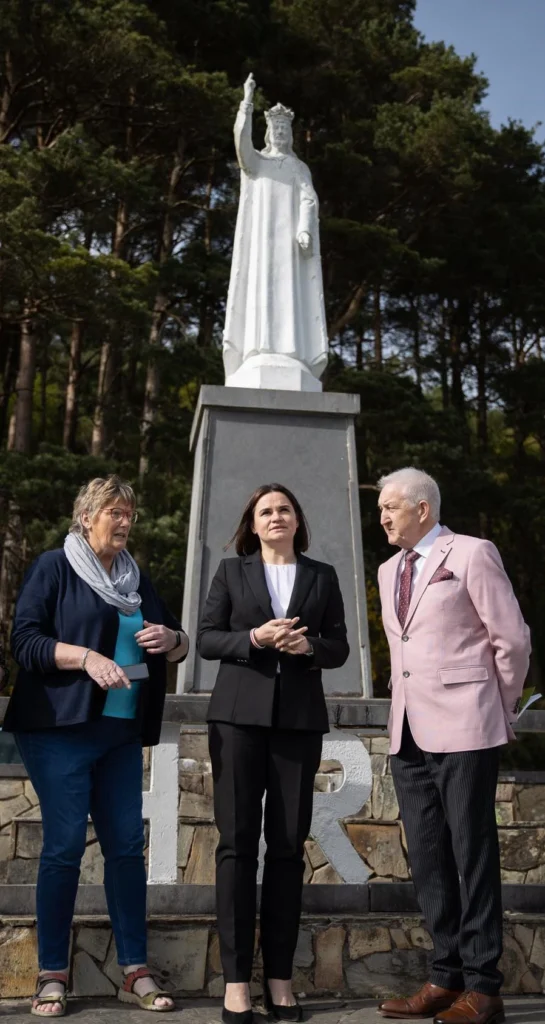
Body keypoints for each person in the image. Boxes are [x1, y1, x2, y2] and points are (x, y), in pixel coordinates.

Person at [3, 475, 189, 1017]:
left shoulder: (135, 578)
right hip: (60, 731)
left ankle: (134, 970)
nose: (126, 521)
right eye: (115, 512)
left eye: (130, 513)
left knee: (128, 849)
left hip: (120, 733)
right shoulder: (53, 568)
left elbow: (176, 642)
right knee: (63, 849)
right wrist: (85, 657)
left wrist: (170, 641)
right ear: (86, 517)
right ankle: (52, 975)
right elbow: (25, 641)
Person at [375, 467, 531, 1024]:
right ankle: (445, 976)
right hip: (408, 732)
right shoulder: (388, 568)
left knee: (472, 853)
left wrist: (498, 707)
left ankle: (485, 988)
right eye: (380, 508)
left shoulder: (472, 553)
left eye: (392, 506)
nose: (384, 515)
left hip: (467, 725)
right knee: (429, 858)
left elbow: (510, 638)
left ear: (423, 507)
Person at [198, 483, 349, 1024]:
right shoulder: (231, 573)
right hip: (237, 721)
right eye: (266, 511)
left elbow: (339, 646)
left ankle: (280, 983)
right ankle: (236, 985)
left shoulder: (321, 576)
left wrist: (309, 647)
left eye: (285, 508)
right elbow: (209, 637)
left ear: (296, 519)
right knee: (237, 847)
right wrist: (256, 638)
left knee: (287, 847)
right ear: (253, 524)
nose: (276, 516)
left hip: (298, 724)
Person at [223, 73, 328, 390]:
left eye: (285, 129)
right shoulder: (257, 163)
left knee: (290, 295)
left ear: (290, 136)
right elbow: (242, 144)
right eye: (276, 128)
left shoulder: (298, 168)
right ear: (269, 133)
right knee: (260, 294)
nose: (281, 133)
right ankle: (258, 349)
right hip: (262, 247)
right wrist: (247, 102)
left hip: (290, 249)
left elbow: (309, 198)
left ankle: (290, 352)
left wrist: (305, 228)